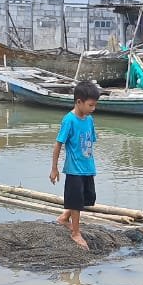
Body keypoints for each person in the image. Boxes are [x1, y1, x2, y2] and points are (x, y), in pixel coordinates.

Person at [50, 81, 101, 250]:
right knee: (76, 200)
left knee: (87, 197)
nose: (93, 108)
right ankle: (75, 233)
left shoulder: (89, 119)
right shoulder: (69, 120)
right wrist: (54, 168)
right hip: (74, 169)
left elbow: (91, 141)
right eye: (90, 105)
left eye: (94, 105)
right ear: (79, 102)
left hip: (88, 167)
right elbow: (58, 144)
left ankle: (65, 217)